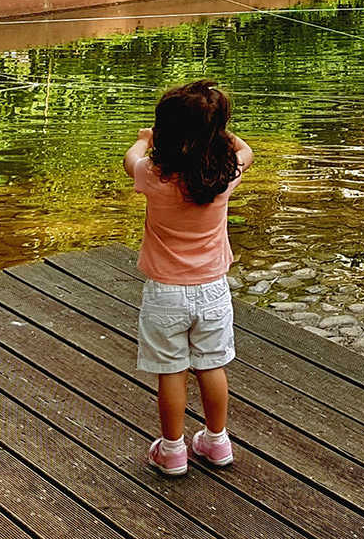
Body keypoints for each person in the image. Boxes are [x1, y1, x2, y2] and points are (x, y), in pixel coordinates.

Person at [123, 79, 253, 476]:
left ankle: (173, 450)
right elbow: (247, 150)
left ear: (167, 130)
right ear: (217, 132)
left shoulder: (154, 174)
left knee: (172, 371)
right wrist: (217, 131)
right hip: (213, 290)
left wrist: (146, 139)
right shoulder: (225, 174)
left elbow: (129, 159)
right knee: (212, 366)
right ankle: (217, 443)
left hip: (165, 294)